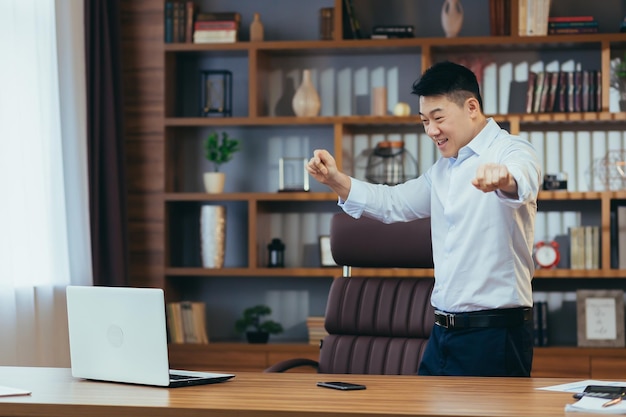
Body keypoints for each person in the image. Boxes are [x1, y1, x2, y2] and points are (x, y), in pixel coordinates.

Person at [306, 61, 542, 377]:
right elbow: (392, 203)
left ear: (471, 107)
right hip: (442, 335)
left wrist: (503, 178)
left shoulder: (511, 150)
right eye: (424, 121)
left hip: (494, 335)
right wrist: (336, 180)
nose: (431, 130)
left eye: (438, 118)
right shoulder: (443, 170)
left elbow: (523, 179)